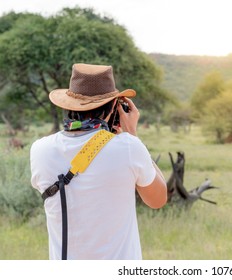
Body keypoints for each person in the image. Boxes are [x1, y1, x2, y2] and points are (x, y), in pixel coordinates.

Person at [30, 63, 167, 260]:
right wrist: (133, 134)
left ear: (68, 105)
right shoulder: (129, 147)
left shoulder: (40, 150)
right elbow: (158, 199)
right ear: (114, 107)